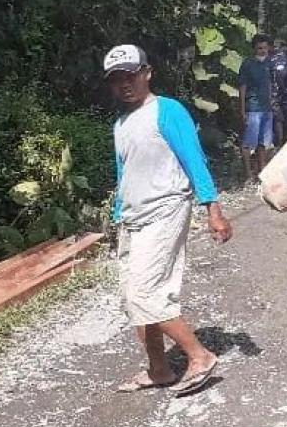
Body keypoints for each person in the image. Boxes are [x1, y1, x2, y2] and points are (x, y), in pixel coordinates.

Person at [103, 44, 232, 397]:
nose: (124, 83)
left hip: (166, 209)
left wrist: (213, 209)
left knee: (146, 292)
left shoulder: (167, 110)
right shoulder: (121, 123)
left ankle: (199, 356)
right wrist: (117, 217)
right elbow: (124, 172)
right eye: (116, 79)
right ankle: (159, 369)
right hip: (132, 218)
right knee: (134, 297)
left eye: (130, 75)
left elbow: (194, 159)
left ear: (147, 72)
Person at [238, 34, 276, 181]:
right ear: (254, 48)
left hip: (266, 108)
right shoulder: (247, 64)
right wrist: (242, 111)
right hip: (252, 109)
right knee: (248, 143)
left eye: (265, 48)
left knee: (263, 143)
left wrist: (272, 103)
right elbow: (242, 87)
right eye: (260, 48)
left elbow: (270, 85)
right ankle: (248, 175)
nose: (263, 50)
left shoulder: (269, 64)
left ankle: (262, 172)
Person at [268, 38, 287, 144]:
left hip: (277, 93)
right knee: (278, 118)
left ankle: (280, 142)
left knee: (279, 118)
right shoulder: (277, 58)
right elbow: (280, 75)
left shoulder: (277, 58)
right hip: (275, 94)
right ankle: (279, 142)